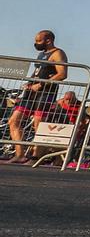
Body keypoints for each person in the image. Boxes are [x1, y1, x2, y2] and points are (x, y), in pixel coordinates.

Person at [4, 30, 67, 164]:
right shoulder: (41, 54)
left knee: (39, 124)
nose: (36, 44)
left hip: (46, 93)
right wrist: (30, 82)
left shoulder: (57, 53)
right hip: (31, 93)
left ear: (48, 40)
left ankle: (36, 157)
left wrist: (41, 85)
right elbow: (39, 71)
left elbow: (62, 74)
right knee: (13, 121)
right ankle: (19, 154)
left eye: (39, 41)